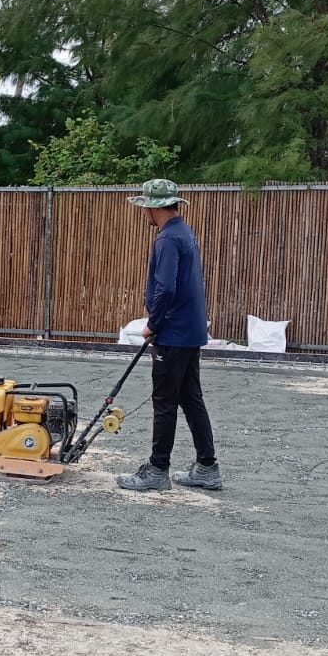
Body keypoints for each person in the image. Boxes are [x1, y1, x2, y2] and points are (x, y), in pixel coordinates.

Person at [115, 178, 221, 493]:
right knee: (191, 398)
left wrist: (154, 323)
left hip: (173, 333)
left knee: (164, 402)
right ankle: (207, 466)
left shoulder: (167, 239)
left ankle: (157, 469)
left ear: (153, 206)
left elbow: (166, 288)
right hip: (190, 330)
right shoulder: (185, 232)